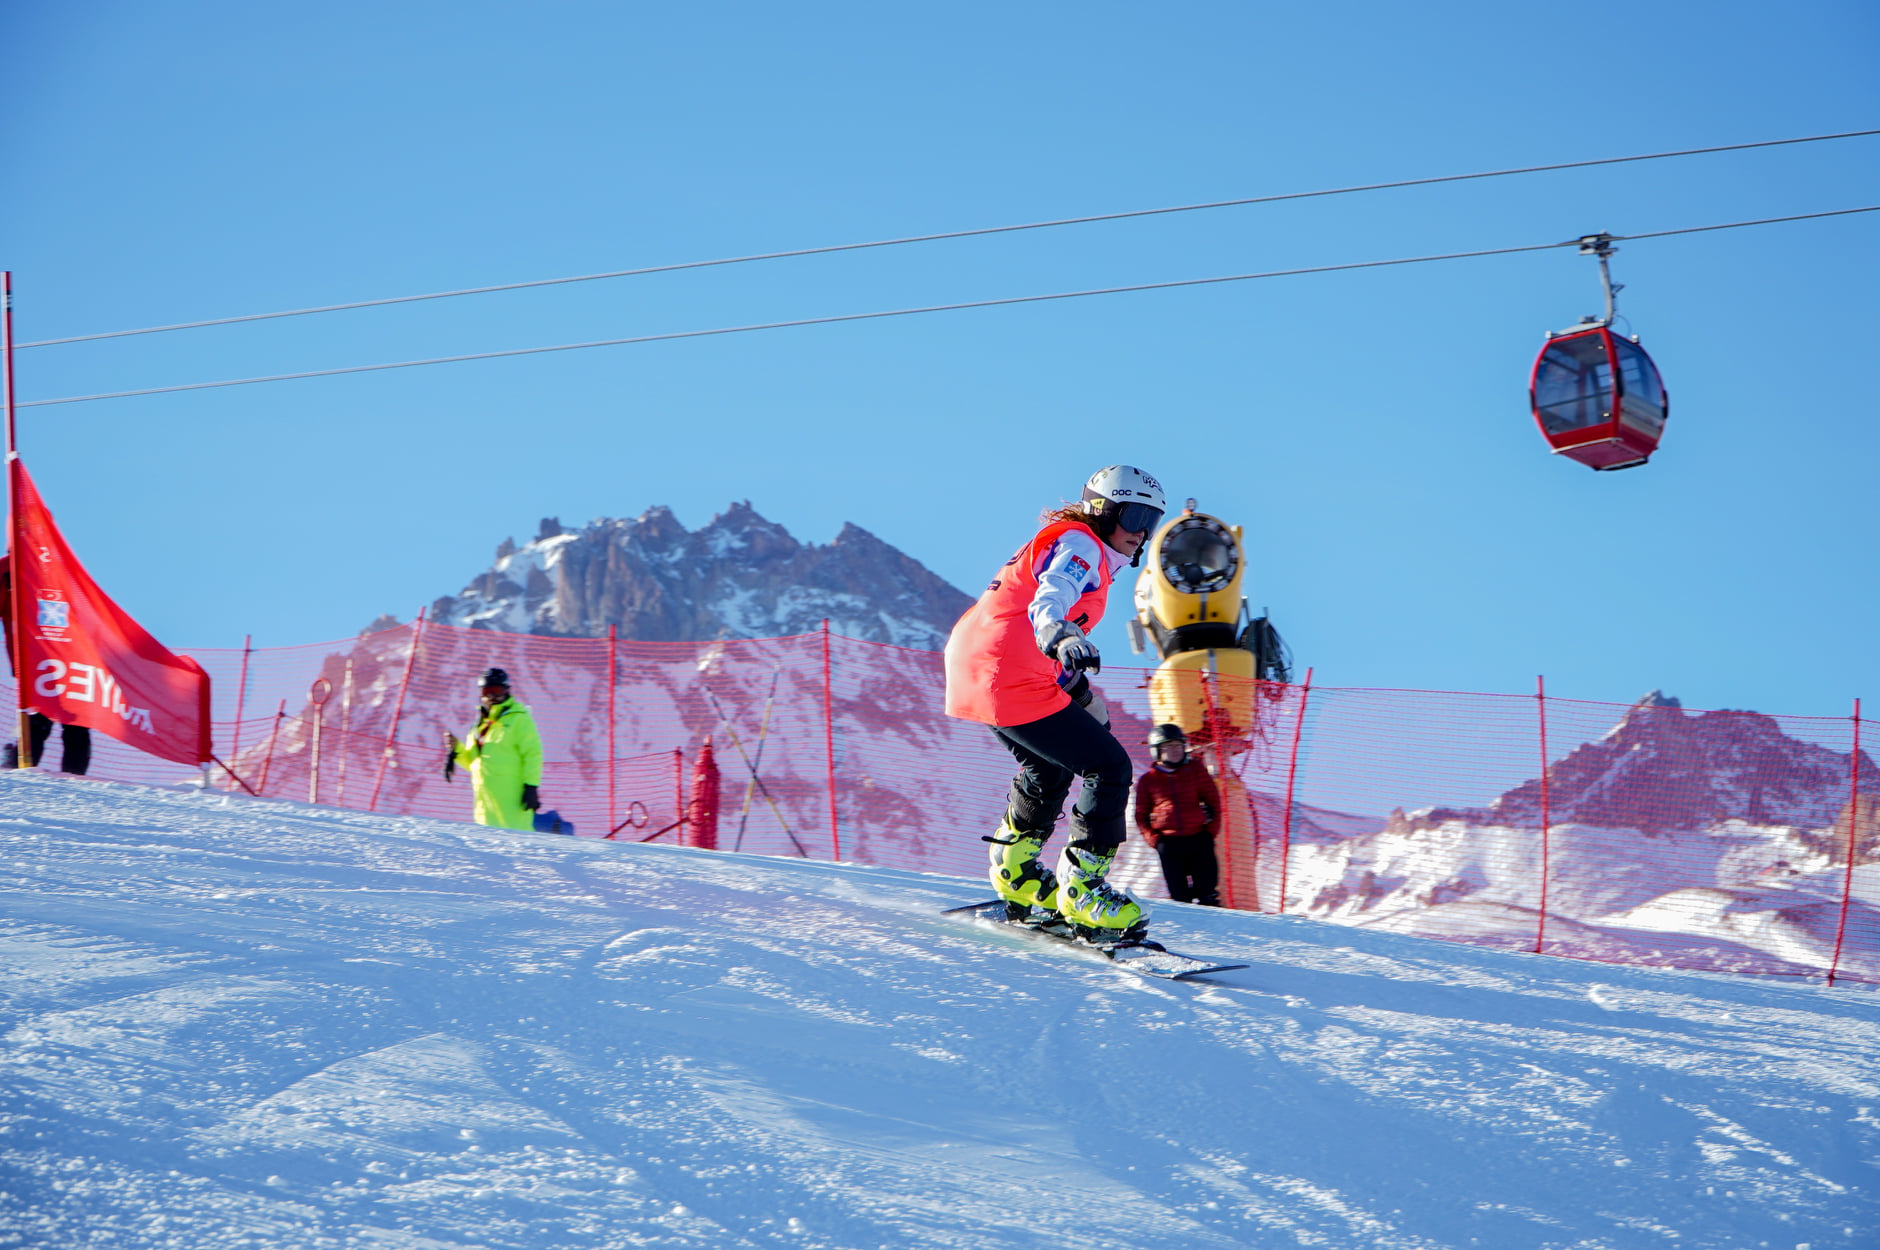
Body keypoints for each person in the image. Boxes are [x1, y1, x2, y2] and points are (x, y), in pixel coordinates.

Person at [944, 465, 1167, 938]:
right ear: (1104, 512)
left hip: (979, 664)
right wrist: (1058, 632)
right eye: (1135, 515)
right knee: (1109, 768)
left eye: (1154, 521)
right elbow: (1052, 597)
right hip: (1009, 671)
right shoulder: (1082, 546)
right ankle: (1083, 890)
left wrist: (1077, 690)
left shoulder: (1083, 548)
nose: (1142, 532)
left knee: (1048, 767)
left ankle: (1018, 872)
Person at [0, 555, 91, 775]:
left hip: (71, 660)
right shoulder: (7, 568)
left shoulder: (60, 564)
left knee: (74, 723)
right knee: (37, 719)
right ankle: (18, 772)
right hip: (34, 662)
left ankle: (74, 779)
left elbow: (86, 614)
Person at [443, 667, 543, 831]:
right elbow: (473, 763)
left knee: (517, 845)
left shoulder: (519, 719)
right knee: (488, 848)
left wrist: (531, 786)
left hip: (511, 801)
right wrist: (457, 750)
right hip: (485, 805)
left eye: (496, 690)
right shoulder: (480, 725)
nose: (491, 696)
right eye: (486, 691)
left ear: (506, 691)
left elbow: (533, 753)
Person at [1134, 724, 1222, 907]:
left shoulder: (1195, 769)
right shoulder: (1148, 780)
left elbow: (1214, 800)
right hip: (1169, 843)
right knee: (1179, 895)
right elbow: (1141, 815)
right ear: (1156, 751)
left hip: (1198, 837)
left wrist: (1209, 833)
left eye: (1178, 745)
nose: (1174, 751)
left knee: (1207, 890)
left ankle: (1214, 920)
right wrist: (1156, 841)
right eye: (1168, 746)